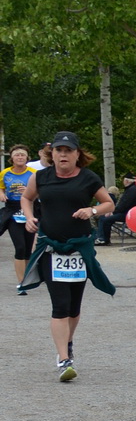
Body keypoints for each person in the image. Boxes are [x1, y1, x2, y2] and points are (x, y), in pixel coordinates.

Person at [17, 132, 116, 380]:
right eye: (58, 150)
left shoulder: (88, 178)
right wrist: (29, 217)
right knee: (60, 305)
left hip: (79, 250)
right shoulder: (41, 177)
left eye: (68, 150)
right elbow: (27, 198)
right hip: (51, 248)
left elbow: (108, 204)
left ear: (77, 154)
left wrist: (91, 210)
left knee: (73, 307)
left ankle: (68, 343)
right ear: (52, 154)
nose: (63, 155)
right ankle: (64, 359)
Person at [6, 145, 33, 287]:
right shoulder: (5, 173)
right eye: (17, 155)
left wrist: (28, 191)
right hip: (13, 211)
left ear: (27, 158)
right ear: (12, 158)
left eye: (23, 155)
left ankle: (28, 278)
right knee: (20, 247)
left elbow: (42, 192)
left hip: (30, 210)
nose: (20, 157)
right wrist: (1, 194)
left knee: (28, 249)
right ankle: (21, 282)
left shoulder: (34, 174)